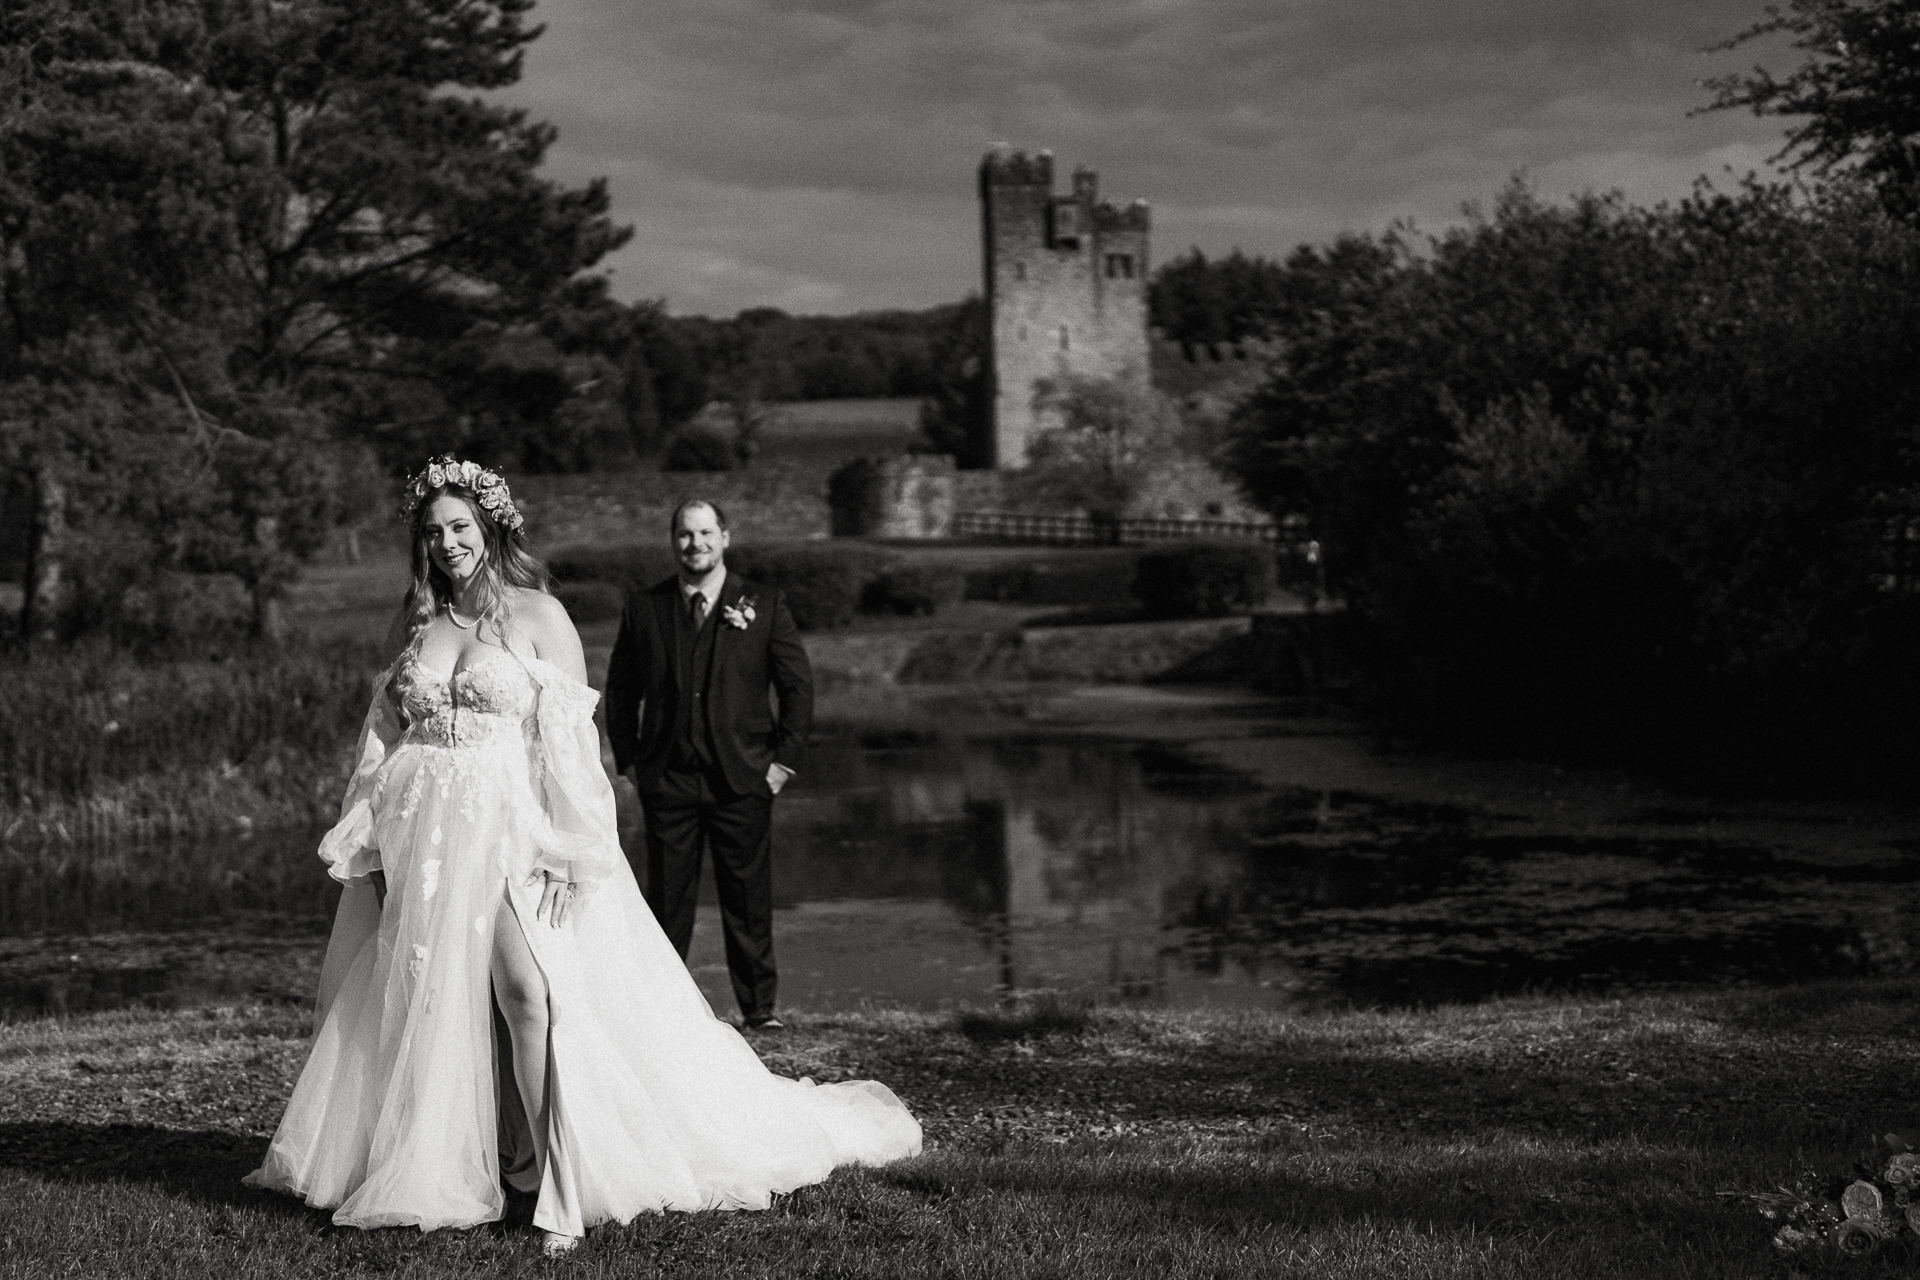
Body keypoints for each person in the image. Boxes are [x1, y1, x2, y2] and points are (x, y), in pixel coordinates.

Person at [245, 458, 919, 1253]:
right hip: (423, 841)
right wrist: (370, 843)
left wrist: (570, 849)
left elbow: (571, 748)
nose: (448, 543)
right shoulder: (413, 623)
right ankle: (477, 1163)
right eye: (433, 533)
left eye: (460, 527)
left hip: (511, 833)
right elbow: (381, 742)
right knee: (440, 1006)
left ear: (491, 528)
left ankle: (553, 1182)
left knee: (527, 992)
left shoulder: (539, 615)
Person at [604, 499, 804, 1029]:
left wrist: (782, 763)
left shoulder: (763, 602)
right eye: (685, 535)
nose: (696, 544)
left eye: (705, 533)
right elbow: (621, 690)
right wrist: (631, 762)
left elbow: (796, 687)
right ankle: (663, 1013)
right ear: (673, 542)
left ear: (725, 537)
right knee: (667, 902)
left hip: (744, 776)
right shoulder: (646, 608)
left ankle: (759, 1010)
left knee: (748, 899)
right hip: (667, 779)